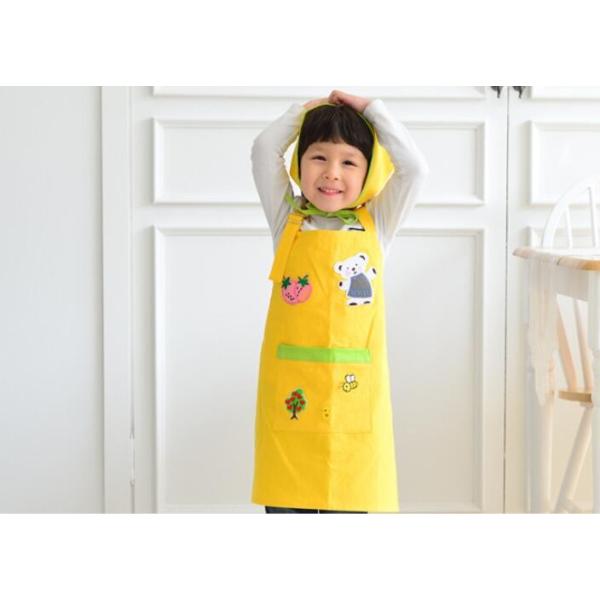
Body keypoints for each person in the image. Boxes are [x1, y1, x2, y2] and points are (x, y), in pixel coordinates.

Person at [250, 89, 429, 514]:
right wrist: (302, 113)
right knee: (288, 506)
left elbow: (414, 169)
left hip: (353, 392)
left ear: (369, 171)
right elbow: (263, 150)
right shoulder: (287, 219)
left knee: (348, 501)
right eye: (318, 157)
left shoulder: (379, 223)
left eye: (349, 162)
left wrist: (372, 111)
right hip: (292, 391)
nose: (331, 173)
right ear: (299, 164)